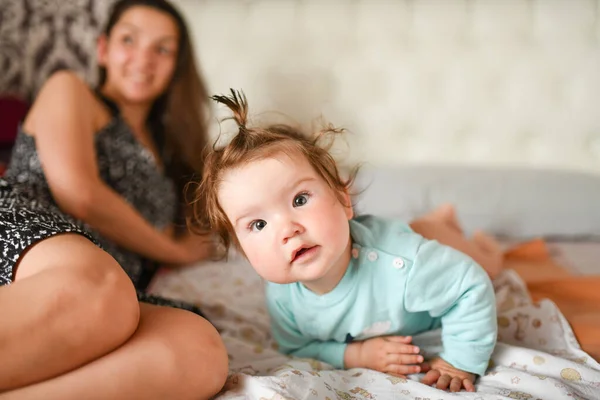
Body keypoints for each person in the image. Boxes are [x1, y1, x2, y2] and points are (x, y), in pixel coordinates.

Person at [190, 90, 498, 393]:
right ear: (243, 252)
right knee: (421, 229)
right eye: (258, 224)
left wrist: (459, 362)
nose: (288, 229)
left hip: (415, 243)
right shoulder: (284, 297)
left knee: (488, 265)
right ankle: (437, 219)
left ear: (343, 198)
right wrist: (356, 355)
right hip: (404, 242)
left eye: (299, 199)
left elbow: (471, 286)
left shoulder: (403, 264)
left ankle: (452, 227)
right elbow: (298, 344)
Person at [0, 1, 228, 398]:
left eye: (162, 48)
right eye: (129, 40)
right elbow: (79, 194)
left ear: (176, 64)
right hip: (27, 227)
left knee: (199, 349)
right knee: (99, 288)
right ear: (103, 49)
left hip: (112, 284)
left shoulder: (169, 155)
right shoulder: (69, 89)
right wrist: (175, 252)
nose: (143, 58)